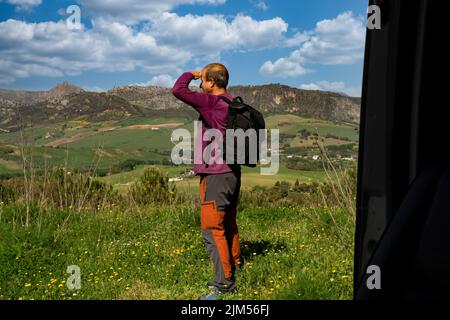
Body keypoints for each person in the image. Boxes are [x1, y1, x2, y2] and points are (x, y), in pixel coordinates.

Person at [172, 63, 242, 300]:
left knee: (212, 229)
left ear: (212, 82)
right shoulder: (232, 102)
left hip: (216, 175)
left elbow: (178, 90)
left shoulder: (211, 102)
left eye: (203, 80)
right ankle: (234, 265)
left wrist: (191, 75)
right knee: (228, 223)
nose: (201, 84)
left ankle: (223, 284)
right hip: (232, 172)